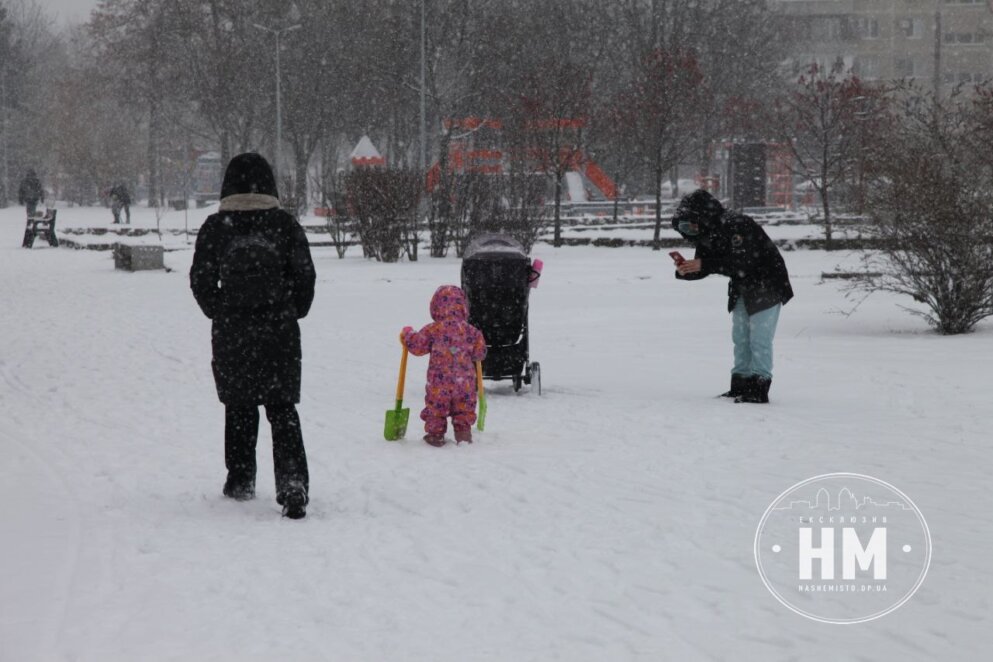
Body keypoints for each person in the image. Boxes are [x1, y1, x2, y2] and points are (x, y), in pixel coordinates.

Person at [190, 153, 316, 519]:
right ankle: (293, 482)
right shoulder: (283, 224)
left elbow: (200, 280)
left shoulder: (217, 226)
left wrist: (222, 310)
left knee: (240, 406)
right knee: (282, 409)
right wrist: (291, 309)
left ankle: (241, 479)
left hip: (233, 333)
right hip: (279, 332)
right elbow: (305, 277)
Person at [671, 189, 793, 403]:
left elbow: (743, 261)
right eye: (684, 227)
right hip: (741, 287)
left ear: (702, 216)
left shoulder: (737, 224)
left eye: (691, 224)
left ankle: (759, 388)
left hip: (768, 284)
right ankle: (740, 386)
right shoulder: (706, 235)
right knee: (741, 338)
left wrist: (704, 264)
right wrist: (686, 271)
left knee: (759, 340)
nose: (689, 230)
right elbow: (706, 266)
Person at [401, 285, 487, 446]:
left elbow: (417, 346)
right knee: (463, 408)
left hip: (439, 383)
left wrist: (408, 335)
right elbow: (480, 353)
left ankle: (435, 435)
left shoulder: (433, 329)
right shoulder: (472, 331)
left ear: (435, 307)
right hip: (464, 383)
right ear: (463, 307)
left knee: (436, 408)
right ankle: (463, 434)